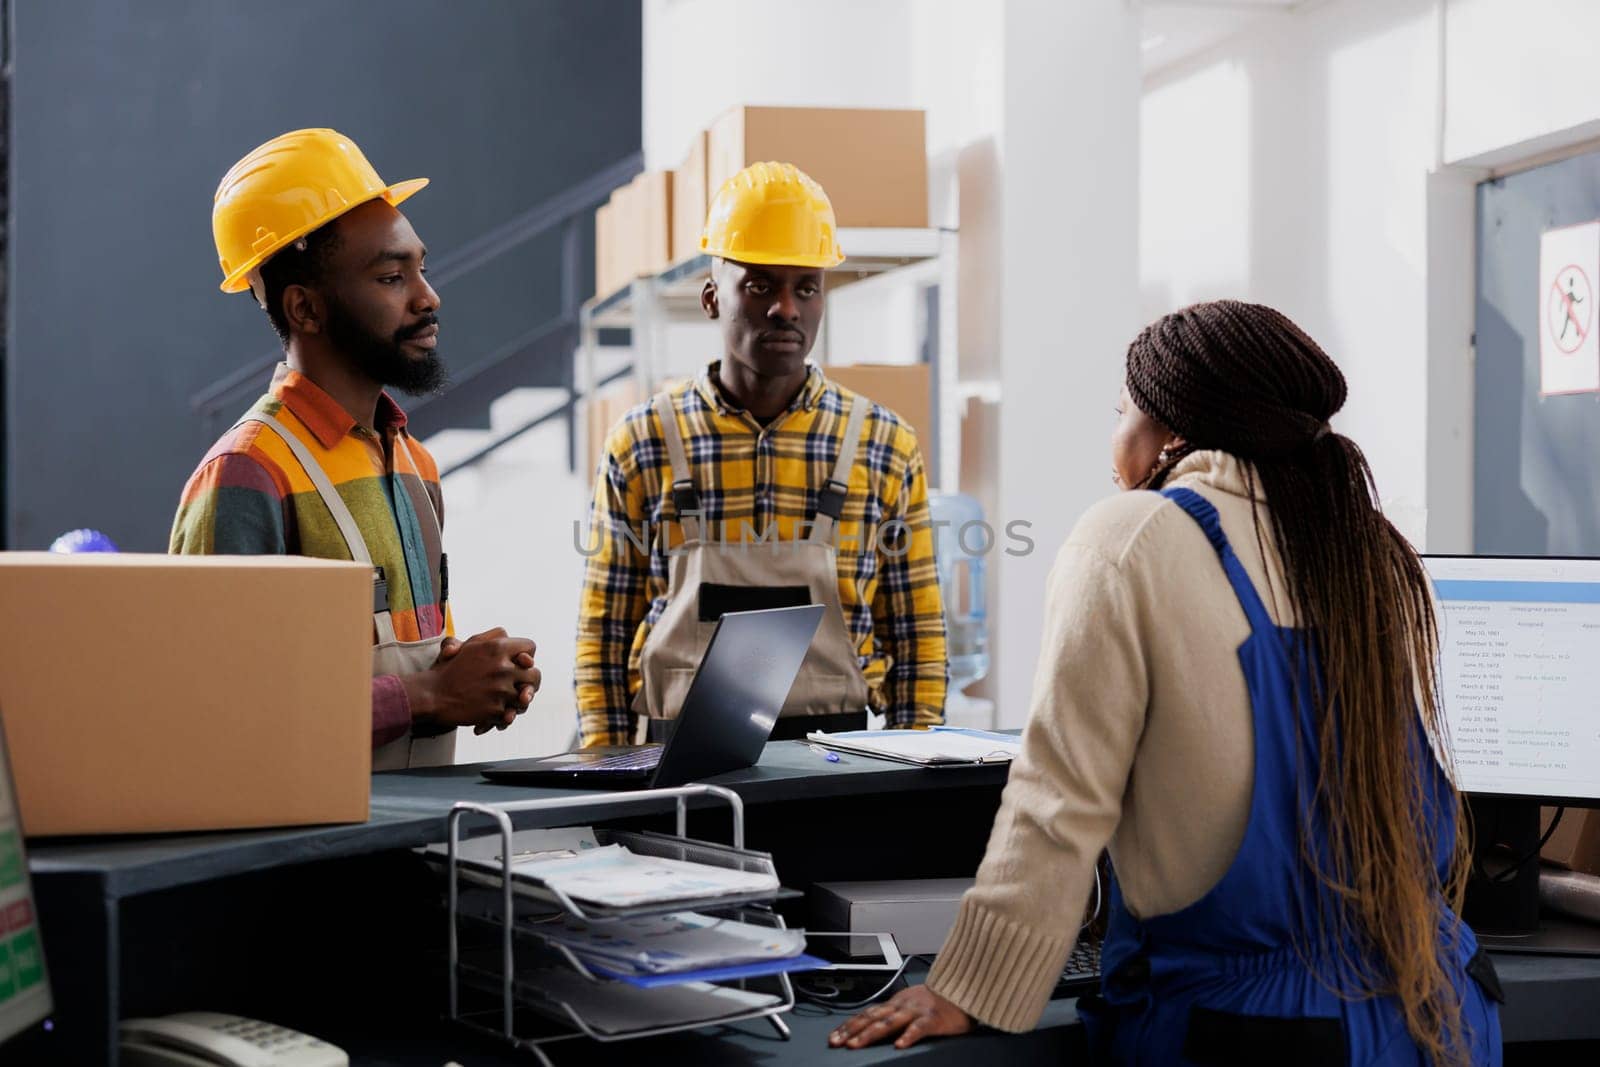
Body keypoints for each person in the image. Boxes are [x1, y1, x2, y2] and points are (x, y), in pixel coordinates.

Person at [831, 301, 1502, 1064]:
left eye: (1121, 413)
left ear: (1171, 433)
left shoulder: (1131, 537)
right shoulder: (1366, 549)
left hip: (1255, 1035)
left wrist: (969, 987)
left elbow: (1059, 805)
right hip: (1439, 1009)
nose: (1111, 444)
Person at [171, 128, 541, 770]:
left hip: (418, 839)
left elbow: (398, 654)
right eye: (392, 277)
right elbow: (211, 711)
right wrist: (428, 695)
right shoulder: (246, 475)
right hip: (304, 857)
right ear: (306, 309)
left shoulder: (414, 464)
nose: (428, 298)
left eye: (422, 268)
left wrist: (472, 673)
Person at [574, 162, 947, 747]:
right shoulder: (642, 441)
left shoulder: (883, 444)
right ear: (710, 297)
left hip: (839, 772)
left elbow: (919, 634)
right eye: (760, 285)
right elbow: (603, 635)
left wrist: (912, 773)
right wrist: (609, 774)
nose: (787, 309)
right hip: (673, 771)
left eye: (806, 288)